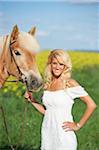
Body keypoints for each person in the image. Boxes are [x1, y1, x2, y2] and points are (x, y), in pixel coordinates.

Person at [24, 49, 96, 150]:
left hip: (64, 135)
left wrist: (78, 125)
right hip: (48, 134)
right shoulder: (47, 84)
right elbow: (47, 112)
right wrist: (32, 100)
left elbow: (91, 105)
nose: (57, 67)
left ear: (65, 66)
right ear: (50, 64)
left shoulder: (70, 83)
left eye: (61, 64)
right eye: (54, 63)